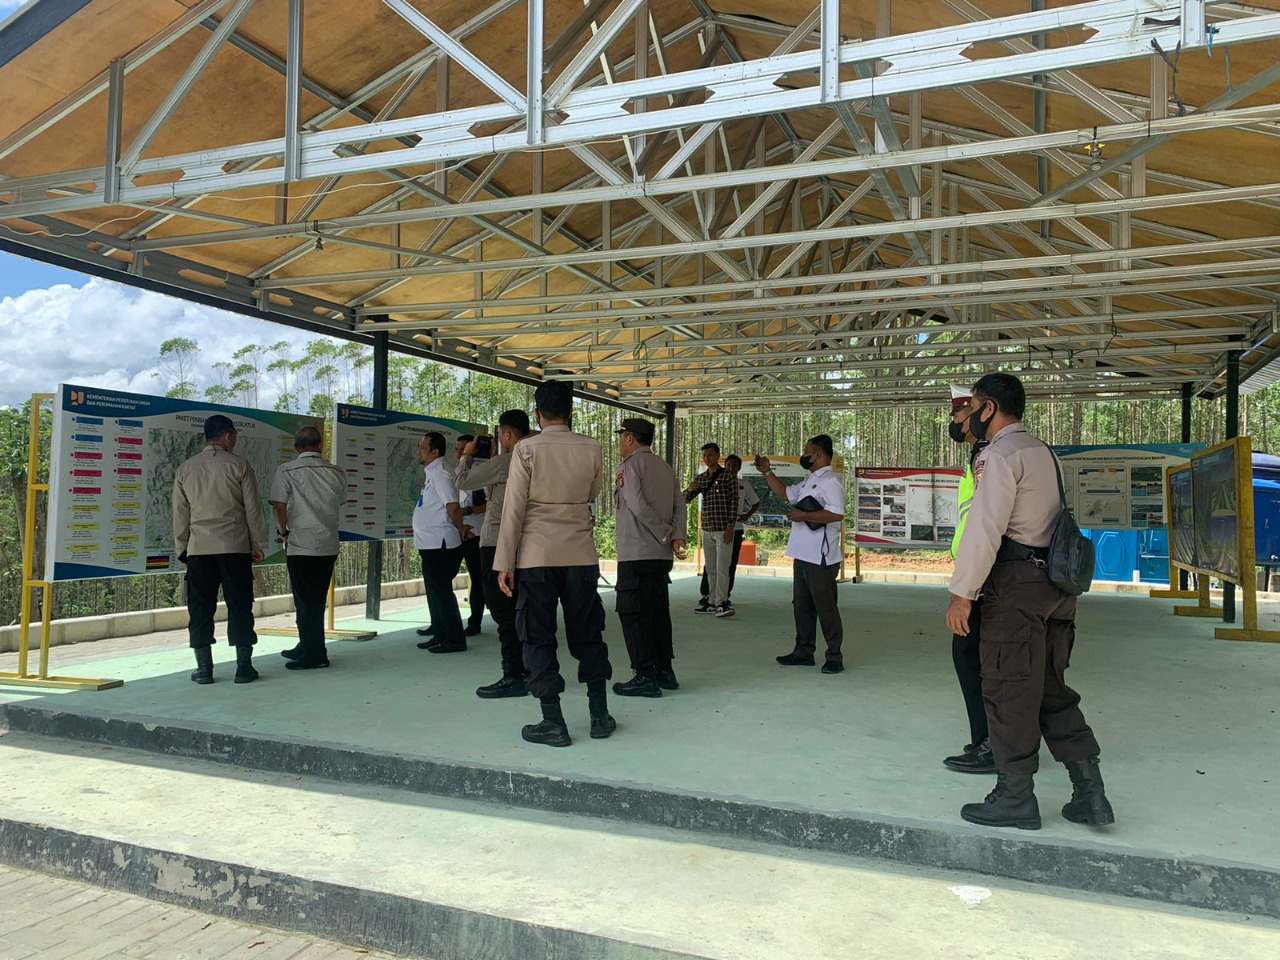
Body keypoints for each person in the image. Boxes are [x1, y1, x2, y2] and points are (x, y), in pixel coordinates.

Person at [946, 372, 1113, 831]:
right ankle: (1090, 793)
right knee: (1051, 691)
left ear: (989, 408)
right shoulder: (1042, 451)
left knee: (1009, 692)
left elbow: (985, 528)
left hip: (1016, 588)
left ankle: (1015, 797)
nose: (969, 415)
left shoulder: (999, 455)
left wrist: (962, 595)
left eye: (973, 405)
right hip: (1056, 587)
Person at [496, 382, 615, 747]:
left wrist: (505, 562)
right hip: (580, 554)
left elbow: (513, 508)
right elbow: (593, 492)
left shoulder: (525, 448)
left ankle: (553, 722)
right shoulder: (591, 447)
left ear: (537, 414)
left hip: (537, 556)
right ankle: (599, 716)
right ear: (571, 411)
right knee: (588, 631)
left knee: (537, 636)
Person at [172, 414, 268, 685]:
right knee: (240, 604)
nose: (235, 440)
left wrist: (182, 549)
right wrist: (257, 544)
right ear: (227, 436)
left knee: (200, 607)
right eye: (234, 435)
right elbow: (253, 509)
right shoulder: (239, 465)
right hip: (234, 546)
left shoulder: (185, 469)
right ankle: (243, 667)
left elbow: (180, 514)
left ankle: (204, 669)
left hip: (199, 549)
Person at [455, 411, 532, 699]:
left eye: (500, 434)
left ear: (508, 434)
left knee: (502, 611)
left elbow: (462, 481)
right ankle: (530, 669)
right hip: (527, 543)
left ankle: (513, 674)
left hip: (496, 543)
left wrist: (468, 455)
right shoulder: (536, 459)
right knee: (523, 610)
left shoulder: (504, 462)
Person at [754, 436, 846, 673]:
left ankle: (834, 656)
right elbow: (785, 494)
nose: (802, 455)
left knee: (825, 607)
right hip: (802, 554)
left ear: (817, 454)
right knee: (802, 606)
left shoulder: (830, 482)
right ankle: (804, 652)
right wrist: (767, 472)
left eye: (806, 451)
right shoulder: (810, 480)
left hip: (821, 556)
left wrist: (803, 515)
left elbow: (837, 514)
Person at [611, 418, 688, 698]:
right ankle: (665, 671)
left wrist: (664, 533)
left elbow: (638, 506)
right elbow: (680, 505)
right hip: (659, 556)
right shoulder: (665, 467)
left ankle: (644, 675)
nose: (620, 442)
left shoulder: (629, 466)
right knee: (657, 614)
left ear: (630, 439)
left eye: (622, 437)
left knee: (634, 615)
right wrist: (677, 536)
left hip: (636, 553)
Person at [943, 385, 995, 773]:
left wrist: (967, 588)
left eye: (960, 413)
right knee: (974, 657)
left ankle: (990, 744)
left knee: (973, 658)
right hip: (977, 569)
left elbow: (987, 524)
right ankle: (988, 740)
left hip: (985, 575)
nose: (955, 422)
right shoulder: (976, 457)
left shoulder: (987, 457)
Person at [269, 426, 346, 671]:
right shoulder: (337, 471)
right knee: (315, 599)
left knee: (305, 601)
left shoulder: (286, 470)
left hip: (301, 544)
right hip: (328, 544)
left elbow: (278, 506)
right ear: (320, 445)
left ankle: (316, 655)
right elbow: (339, 502)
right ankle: (306, 644)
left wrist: (284, 532)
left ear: (296, 448)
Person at [414, 431, 470, 654]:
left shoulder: (441, 473)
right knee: (435, 591)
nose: (419, 450)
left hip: (441, 542)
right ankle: (440, 632)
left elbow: (453, 506)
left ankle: (455, 639)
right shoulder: (433, 472)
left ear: (435, 452)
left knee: (442, 592)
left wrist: (461, 528)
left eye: (422, 447)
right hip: (430, 543)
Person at [697, 454, 760, 611]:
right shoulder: (716, 481)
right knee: (711, 564)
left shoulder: (743, 484)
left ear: (739, 468)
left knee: (728, 564)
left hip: (735, 529)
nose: (731, 468)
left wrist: (746, 516)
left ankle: (724, 596)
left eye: (735, 466)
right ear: (724, 465)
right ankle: (708, 595)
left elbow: (755, 502)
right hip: (715, 528)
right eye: (729, 465)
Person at [684, 442, 738, 618]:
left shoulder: (728, 476)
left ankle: (721, 602)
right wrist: (689, 489)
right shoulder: (701, 478)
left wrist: (731, 525)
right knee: (711, 569)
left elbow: (734, 501)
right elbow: (685, 499)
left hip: (723, 528)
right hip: (707, 527)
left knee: (723, 568)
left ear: (718, 456)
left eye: (710, 455)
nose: (707, 458)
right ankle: (712, 602)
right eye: (704, 455)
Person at [455, 434, 487, 637]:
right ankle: (442, 622)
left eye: (464, 449)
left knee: (477, 577)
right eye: (458, 449)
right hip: (455, 532)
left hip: (476, 532)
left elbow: (492, 503)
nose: (460, 452)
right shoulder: (454, 473)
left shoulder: (484, 472)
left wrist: (468, 511)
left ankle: (475, 622)